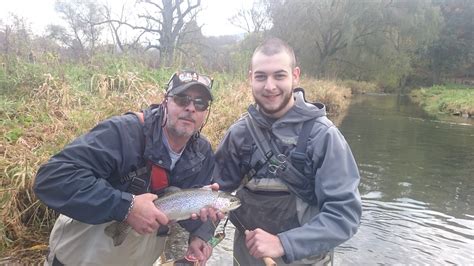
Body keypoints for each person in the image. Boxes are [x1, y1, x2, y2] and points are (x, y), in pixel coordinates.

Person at [34, 70, 222, 266]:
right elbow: (50, 178)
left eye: (200, 103)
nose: (191, 108)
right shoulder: (122, 133)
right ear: (165, 101)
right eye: (182, 99)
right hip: (79, 258)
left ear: (205, 112)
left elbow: (186, 209)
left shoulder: (201, 153)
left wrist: (200, 234)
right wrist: (126, 207)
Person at [212, 38, 362, 265]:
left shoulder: (324, 137)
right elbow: (215, 195)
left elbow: (344, 216)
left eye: (279, 75)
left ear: (295, 75)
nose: (270, 86)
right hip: (247, 259)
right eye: (261, 76)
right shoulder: (238, 134)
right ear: (250, 77)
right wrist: (201, 235)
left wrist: (283, 243)